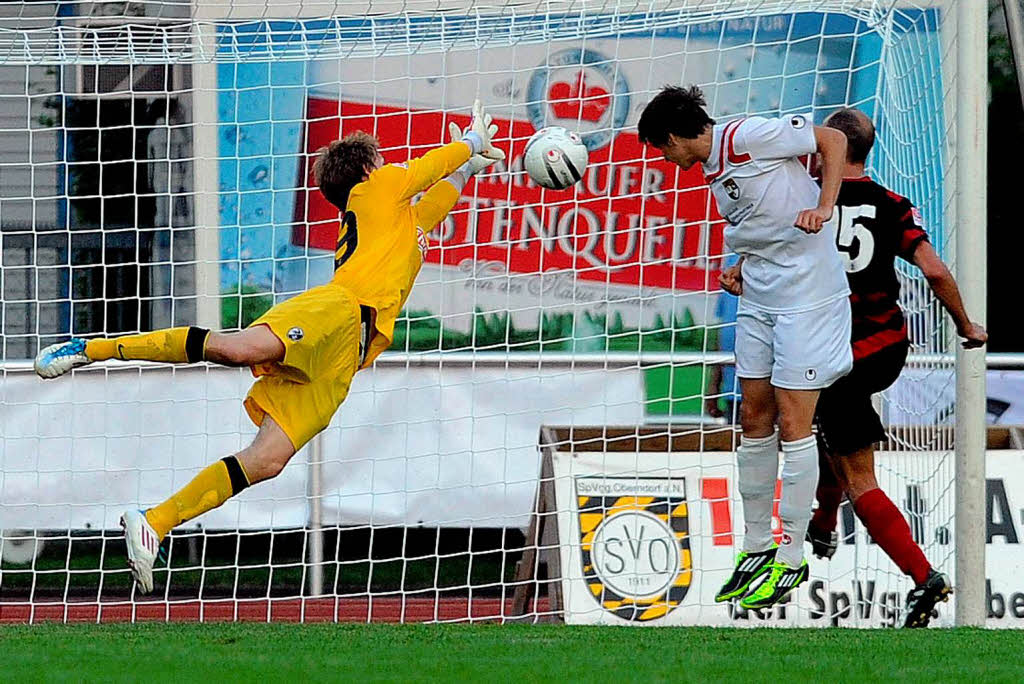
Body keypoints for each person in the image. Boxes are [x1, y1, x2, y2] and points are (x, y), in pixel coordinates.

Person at [33, 101, 505, 594]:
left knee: (267, 460)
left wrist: (469, 166)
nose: (390, 168)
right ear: (367, 171)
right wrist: (467, 144)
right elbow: (429, 168)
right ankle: (94, 348)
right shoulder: (375, 189)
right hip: (338, 311)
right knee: (237, 349)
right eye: (384, 162)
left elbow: (433, 202)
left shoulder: (393, 221)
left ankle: (155, 521)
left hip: (347, 355)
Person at [638, 85, 851, 610]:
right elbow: (760, 222)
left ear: (672, 137)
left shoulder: (748, 135)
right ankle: (756, 546)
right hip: (758, 292)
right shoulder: (714, 167)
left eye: (661, 150)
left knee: (795, 422)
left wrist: (825, 206)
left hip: (808, 298)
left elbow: (833, 140)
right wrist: (740, 263)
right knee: (753, 417)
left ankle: (793, 554)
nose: (665, 161)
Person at [801, 107, 985, 627]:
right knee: (833, 432)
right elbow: (933, 269)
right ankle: (822, 520)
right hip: (886, 347)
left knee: (857, 473)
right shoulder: (891, 204)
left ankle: (924, 578)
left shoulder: (809, 203)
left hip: (834, 353)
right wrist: (966, 324)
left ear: (827, 151)